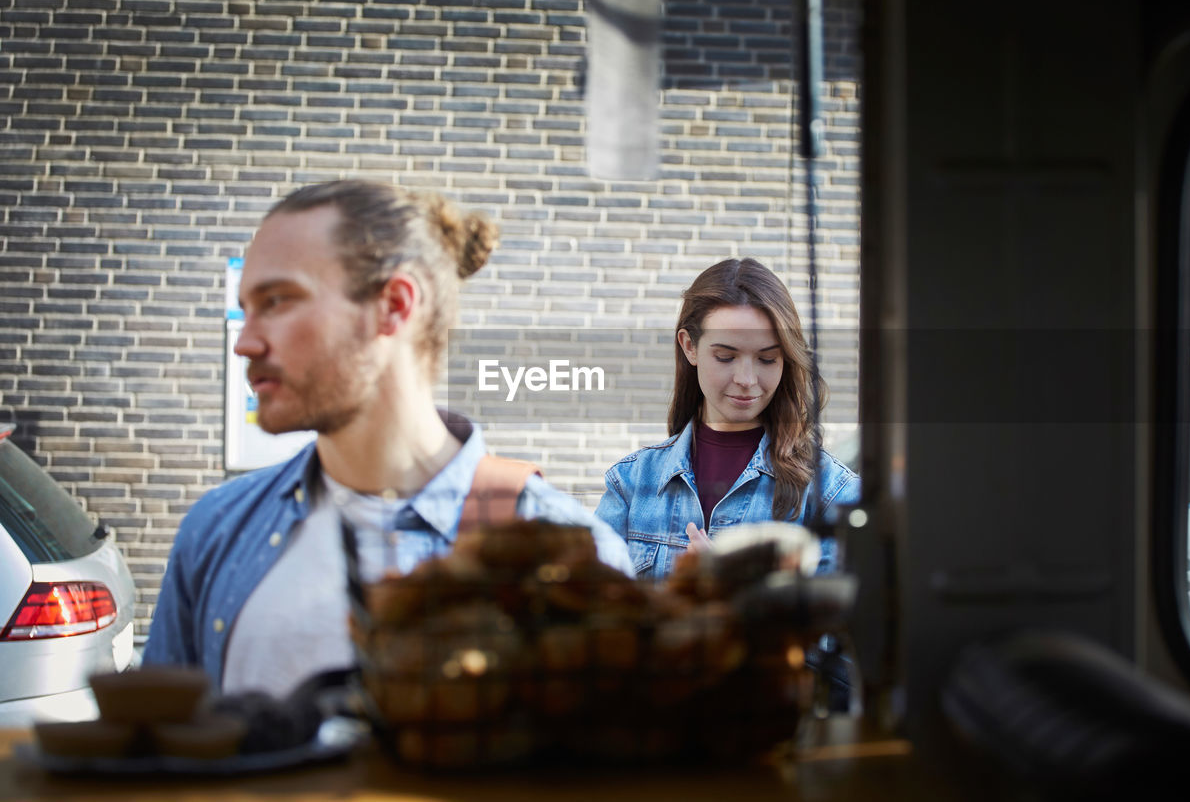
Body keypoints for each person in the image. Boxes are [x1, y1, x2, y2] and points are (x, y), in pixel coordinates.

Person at [144, 179, 633, 697]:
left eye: (278, 300)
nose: (245, 342)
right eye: (247, 307)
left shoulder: (572, 553)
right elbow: (156, 761)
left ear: (394, 305)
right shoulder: (217, 529)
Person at [595, 257, 860, 580]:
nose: (747, 379)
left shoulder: (831, 491)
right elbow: (595, 617)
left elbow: (832, 627)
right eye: (726, 356)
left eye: (767, 358)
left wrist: (732, 591)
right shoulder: (632, 482)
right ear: (689, 346)